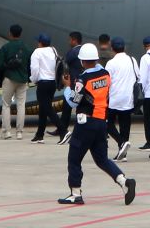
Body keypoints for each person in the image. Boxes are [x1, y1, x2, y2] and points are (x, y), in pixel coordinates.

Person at [57, 43, 136, 207]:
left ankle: (75, 193)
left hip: (85, 122)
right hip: (102, 122)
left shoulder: (82, 79)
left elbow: (73, 101)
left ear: (82, 62)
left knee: (74, 158)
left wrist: (66, 87)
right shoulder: (105, 74)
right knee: (101, 159)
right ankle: (124, 182)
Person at [105, 37, 139, 162]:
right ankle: (123, 153)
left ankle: (121, 143)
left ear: (112, 48)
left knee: (107, 124)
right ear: (124, 47)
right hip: (128, 98)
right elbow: (138, 76)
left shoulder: (111, 63)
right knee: (125, 125)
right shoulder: (132, 60)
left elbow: (107, 82)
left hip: (114, 98)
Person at [0, 24, 31, 140]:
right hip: (23, 79)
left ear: (10, 34)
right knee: (21, 105)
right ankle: (19, 132)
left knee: (6, 104)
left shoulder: (5, 47)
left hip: (9, 78)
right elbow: (29, 63)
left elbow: (0, 65)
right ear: (20, 34)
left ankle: (7, 132)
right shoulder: (26, 48)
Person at [30, 33, 64, 143]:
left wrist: (34, 80)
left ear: (40, 43)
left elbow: (34, 69)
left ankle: (63, 131)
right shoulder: (53, 50)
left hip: (43, 83)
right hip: (52, 83)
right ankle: (39, 135)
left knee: (47, 108)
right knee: (43, 109)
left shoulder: (37, 52)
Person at [57, 31, 84, 144]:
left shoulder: (73, 52)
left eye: (70, 40)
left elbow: (65, 61)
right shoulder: (82, 50)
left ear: (74, 40)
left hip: (74, 83)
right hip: (78, 81)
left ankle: (64, 129)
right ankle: (62, 128)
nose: (69, 42)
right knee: (67, 106)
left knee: (72, 106)